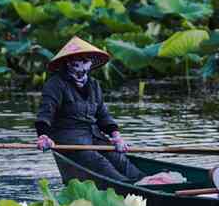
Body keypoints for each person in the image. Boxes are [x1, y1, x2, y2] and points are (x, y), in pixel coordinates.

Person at [34, 37, 144, 183]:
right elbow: (45, 113)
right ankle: (128, 187)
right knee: (102, 165)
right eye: (77, 61)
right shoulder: (56, 84)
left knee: (121, 162)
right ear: (68, 63)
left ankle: (143, 181)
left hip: (95, 136)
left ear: (91, 63)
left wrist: (116, 136)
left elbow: (103, 115)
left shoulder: (94, 84)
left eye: (86, 61)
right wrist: (43, 136)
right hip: (70, 141)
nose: (82, 65)